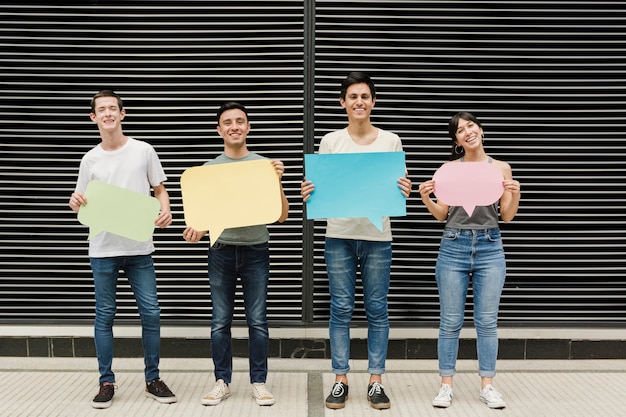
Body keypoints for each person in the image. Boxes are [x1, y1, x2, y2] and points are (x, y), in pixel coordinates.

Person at [300, 72, 412, 410]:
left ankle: (376, 380)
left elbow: (397, 186)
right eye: (353, 96)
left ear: (373, 102)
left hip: (378, 236)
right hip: (339, 235)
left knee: (377, 309)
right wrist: (311, 193)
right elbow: (322, 186)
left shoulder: (391, 140)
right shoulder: (331, 141)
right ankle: (340, 379)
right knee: (341, 309)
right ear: (343, 103)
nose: (359, 102)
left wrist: (403, 191)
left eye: (365, 96)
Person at [68, 90, 176, 409]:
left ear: (122, 113)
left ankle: (152, 378)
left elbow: (160, 189)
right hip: (102, 250)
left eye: (112, 108)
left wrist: (165, 210)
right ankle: (106, 381)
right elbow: (82, 201)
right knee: (105, 316)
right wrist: (75, 203)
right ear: (94, 118)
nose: (108, 114)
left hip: (139, 248)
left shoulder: (143, 150)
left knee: (152, 313)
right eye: (101, 110)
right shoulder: (90, 159)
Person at [182, 101, 289, 407]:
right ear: (219, 130)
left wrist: (278, 181)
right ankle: (222, 381)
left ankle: (258, 382)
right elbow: (203, 218)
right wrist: (196, 231)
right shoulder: (207, 171)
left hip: (257, 249)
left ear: (248, 127)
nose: (234, 126)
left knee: (257, 321)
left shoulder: (264, 166)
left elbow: (282, 216)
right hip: (221, 251)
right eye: (227, 122)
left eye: (240, 121)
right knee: (220, 321)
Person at [418, 111, 521, 409]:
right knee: (450, 321)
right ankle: (446, 385)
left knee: (487, 321)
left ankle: (487, 385)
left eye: (471, 125)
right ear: (457, 141)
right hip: (453, 244)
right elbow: (442, 214)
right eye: (460, 130)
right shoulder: (449, 169)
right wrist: (426, 198)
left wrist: (515, 194)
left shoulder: (501, 168)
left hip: (490, 245)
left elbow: (507, 216)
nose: (467, 132)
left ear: (481, 129)